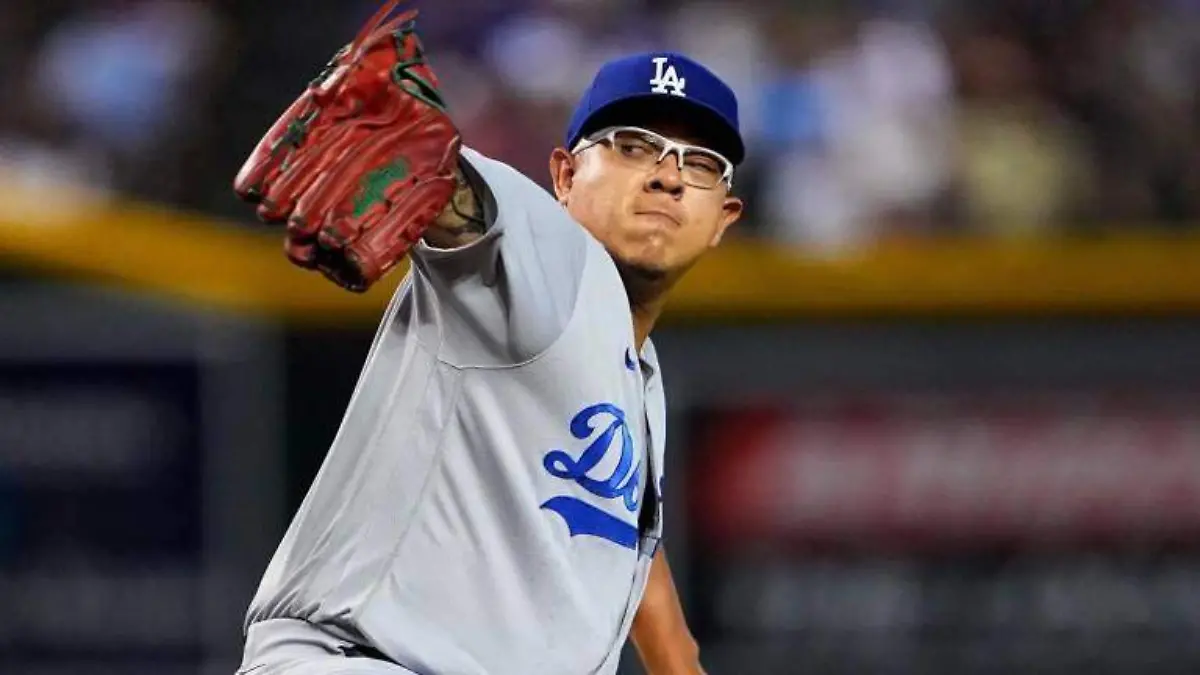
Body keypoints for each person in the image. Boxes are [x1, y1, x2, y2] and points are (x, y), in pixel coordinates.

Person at [235, 33, 746, 675]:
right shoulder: (552, 254)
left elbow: (627, 547)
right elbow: (462, 197)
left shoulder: (640, 376)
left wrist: (679, 663)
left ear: (723, 217)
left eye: (699, 164)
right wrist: (423, 161)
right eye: (632, 147)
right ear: (565, 177)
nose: (668, 176)